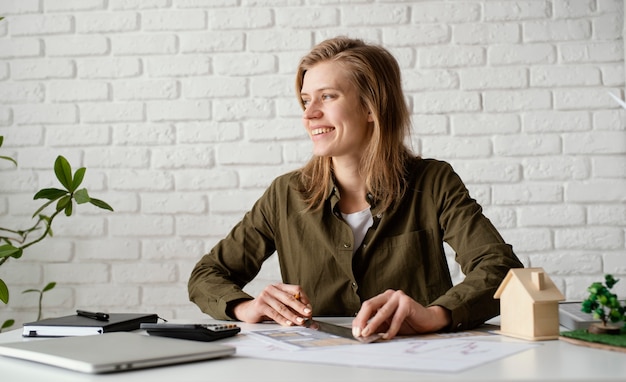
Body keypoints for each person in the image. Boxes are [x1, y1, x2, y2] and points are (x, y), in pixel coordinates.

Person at [188, 36, 523, 340]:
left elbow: (501, 269)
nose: (309, 114)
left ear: (370, 107)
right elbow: (207, 275)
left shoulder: (432, 182)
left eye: (327, 96)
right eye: (305, 100)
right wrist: (246, 307)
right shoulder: (285, 194)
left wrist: (434, 315)